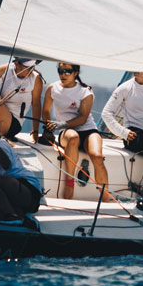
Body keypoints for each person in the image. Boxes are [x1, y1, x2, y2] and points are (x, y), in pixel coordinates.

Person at [41, 63, 109, 200]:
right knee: (73, 137)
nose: (63, 75)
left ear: (75, 73)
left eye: (67, 71)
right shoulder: (52, 89)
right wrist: (49, 125)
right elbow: (46, 111)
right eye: (60, 71)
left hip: (88, 129)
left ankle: (106, 198)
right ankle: (69, 184)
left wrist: (61, 124)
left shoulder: (86, 91)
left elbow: (83, 118)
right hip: (67, 132)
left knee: (97, 156)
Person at [0, 120, 42, 227]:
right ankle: (21, 217)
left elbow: (6, 165)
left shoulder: (1, 145)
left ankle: (12, 215)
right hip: (15, 194)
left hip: (28, 192)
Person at [0, 57, 44, 141]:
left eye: (32, 67)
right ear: (16, 63)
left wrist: (35, 131)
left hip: (13, 123)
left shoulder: (35, 78)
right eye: (27, 67)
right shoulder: (6, 69)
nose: (30, 71)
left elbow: (36, 104)